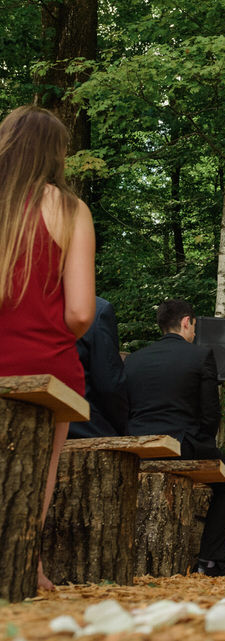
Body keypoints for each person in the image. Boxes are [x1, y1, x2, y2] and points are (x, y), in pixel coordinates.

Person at [0, 105, 96, 590]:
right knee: (40, 471)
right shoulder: (70, 210)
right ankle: (25, 568)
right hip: (43, 365)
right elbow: (80, 312)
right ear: (55, 154)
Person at [125, 299, 225, 577]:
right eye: (193, 327)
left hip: (138, 444)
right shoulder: (200, 356)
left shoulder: (134, 359)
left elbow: (123, 405)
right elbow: (211, 413)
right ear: (186, 322)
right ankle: (210, 564)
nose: (194, 334)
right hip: (182, 444)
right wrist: (203, 443)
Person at [69, 296, 128, 438]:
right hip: (80, 425)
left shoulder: (17, 304)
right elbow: (109, 385)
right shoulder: (97, 309)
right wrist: (123, 426)